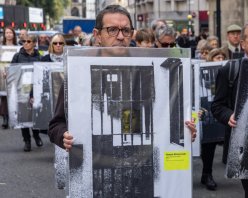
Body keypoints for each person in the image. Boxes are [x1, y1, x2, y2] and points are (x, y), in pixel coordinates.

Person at [49, 5, 196, 152]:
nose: (120, 36)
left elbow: (163, 117)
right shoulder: (79, 72)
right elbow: (56, 125)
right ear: (97, 35)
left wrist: (183, 132)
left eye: (126, 30)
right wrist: (63, 136)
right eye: (112, 30)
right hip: (95, 158)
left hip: (140, 159)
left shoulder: (150, 70)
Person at [211, 21, 248, 198]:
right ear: (243, 43)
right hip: (246, 145)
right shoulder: (230, 69)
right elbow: (217, 106)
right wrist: (228, 115)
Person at [198, 47, 226, 191]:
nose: (220, 60)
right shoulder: (201, 75)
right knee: (208, 146)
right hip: (207, 115)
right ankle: (207, 173)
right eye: (217, 57)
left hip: (222, 114)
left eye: (222, 57)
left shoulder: (227, 74)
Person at [11, 34, 42, 152]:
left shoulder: (39, 57)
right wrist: (7, 74)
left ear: (34, 43)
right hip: (22, 90)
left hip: (35, 90)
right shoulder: (17, 56)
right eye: (23, 41)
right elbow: (11, 71)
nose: (25, 43)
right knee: (24, 117)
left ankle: (36, 135)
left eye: (28, 41)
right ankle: (27, 140)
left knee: (35, 115)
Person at [0, 26, 17, 129]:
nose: (9, 34)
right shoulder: (1, 47)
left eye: (10, 33)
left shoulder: (18, 47)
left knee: (14, 96)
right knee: (4, 97)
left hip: (15, 74)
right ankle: (5, 118)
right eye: (7, 33)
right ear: (4, 35)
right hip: (2, 74)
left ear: (13, 34)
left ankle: (15, 117)